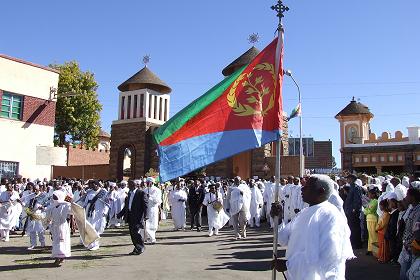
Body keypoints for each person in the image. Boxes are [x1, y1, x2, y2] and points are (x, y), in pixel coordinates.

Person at [271, 175, 354, 279]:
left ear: (321, 191)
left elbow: (328, 257)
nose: (302, 188)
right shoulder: (304, 213)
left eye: (307, 186)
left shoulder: (330, 216)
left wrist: (289, 264)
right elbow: (283, 239)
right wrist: (278, 219)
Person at [117, 180, 148, 255]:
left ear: (135, 185)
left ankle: (141, 246)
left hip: (138, 216)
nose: (128, 186)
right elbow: (127, 206)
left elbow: (145, 205)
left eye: (130, 185)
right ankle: (137, 247)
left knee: (136, 232)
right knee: (132, 233)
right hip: (130, 215)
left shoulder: (141, 193)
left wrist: (146, 215)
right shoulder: (130, 193)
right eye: (128, 185)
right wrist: (120, 214)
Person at [45, 190, 72, 266]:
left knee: (62, 242)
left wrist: (70, 203)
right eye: (53, 196)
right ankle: (58, 257)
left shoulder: (65, 206)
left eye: (55, 196)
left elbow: (72, 211)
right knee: (56, 242)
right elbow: (48, 216)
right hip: (55, 227)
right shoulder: (52, 206)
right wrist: (48, 224)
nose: (53, 198)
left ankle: (60, 258)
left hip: (62, 226)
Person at [399, 188, 420, 280]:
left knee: (409, 274)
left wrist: (412, 245)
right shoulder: (412, 208)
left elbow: (416, 231)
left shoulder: (418, 211)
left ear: (413, 197)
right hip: (407, 245)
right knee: (406, 272)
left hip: (412, 247)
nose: (405, 197)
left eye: (407, 195)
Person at [83, 180, 109, 250]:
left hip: (99, 213)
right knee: (90, 229)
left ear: (97, 185)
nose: (91, 186)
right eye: (90, 185)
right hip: (90, 213)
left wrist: (105, 211)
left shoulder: (103, 192)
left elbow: (107, 204)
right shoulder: (89, 192)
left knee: (97, 228)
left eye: (93, 185)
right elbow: (85, 202)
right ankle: (91, 244)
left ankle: (96, 244)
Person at [343, 174, 363, 249]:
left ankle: (357, 244)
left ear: (352, 179)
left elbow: (357, 199)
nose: (347, 180)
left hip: (353, 211)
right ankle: (353, 243)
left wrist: (354, 209)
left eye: (348, 178)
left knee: (355, 228)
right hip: (350, 210)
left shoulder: (356, 187)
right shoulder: (352, 187)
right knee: (351, 227)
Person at [25, 185, 46, 249]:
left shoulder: (43, 196)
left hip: (39, 214)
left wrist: (42, 207)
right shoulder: (30, 196)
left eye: (36, 189)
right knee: (32, 230)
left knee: (40, 230)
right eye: (34, 189)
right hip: (31, 215)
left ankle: (42, 243)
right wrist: (28, 212)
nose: (34, 191)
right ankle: (33, 244)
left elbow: (47, 205)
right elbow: (26, 205)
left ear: (39, 189)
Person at [144, 178, 162, 244]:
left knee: (152, 224)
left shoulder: (157, 190)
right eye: (147, 182)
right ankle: (146, 238)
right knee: (146, 224)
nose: (148, 183)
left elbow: (158, 201)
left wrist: (150, 197)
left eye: (149, 182)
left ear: (152, 182)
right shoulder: (145, 190)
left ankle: (152, 238)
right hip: (146, 209)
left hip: (153, 209)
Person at [386, 193, 400, 263]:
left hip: (393, 235)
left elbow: (393, 225)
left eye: (389, 202)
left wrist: (390, 234)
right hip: (391, 235)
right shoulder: (393, 212)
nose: (388, 204)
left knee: (393, 247)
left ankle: (395, 260)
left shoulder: (396, 213)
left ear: (394, 202)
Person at [364, 188, 378, 256]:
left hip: (373, 219)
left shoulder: (375, 201)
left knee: (373, 235)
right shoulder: (371, 201)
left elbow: (370, 210)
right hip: (369, 219)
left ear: (373, 194)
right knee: (370, 235)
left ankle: (374, 250)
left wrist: (366, 211)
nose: (368, 195)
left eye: (369, 194)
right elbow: (367, 209)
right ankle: (370, 249)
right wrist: (366, 211)